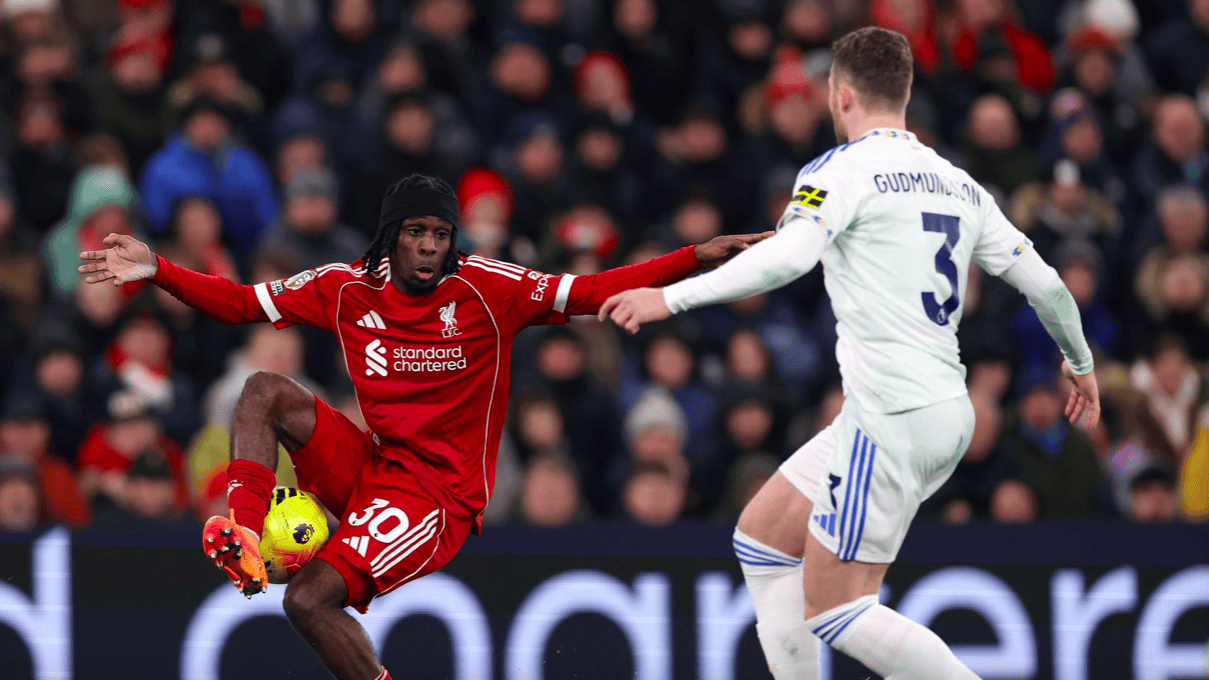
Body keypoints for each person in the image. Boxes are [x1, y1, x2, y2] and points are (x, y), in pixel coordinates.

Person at [77, 172, 765, 680]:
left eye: (441, 234)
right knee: (262, 391)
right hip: (375, 464)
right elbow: (240, 304)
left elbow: (589, 292)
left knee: (310, 600)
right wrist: (157, 269)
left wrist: (694, 258)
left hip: (438, 495)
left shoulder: (488, 288)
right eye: (416, 233)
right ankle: (247, 537)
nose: (430, 247)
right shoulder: (344, 287)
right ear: (391, 236)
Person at [600, 27, 1101, 680]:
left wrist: (669, 298)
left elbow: (787, 258)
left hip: (891, 412)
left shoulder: (839, 171)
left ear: (838, 94)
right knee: (761, 540)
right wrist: (1081, 365)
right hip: (940, 407)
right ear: (904, 93)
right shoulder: (958, 184)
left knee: (837, 609)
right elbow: (1050, 288)